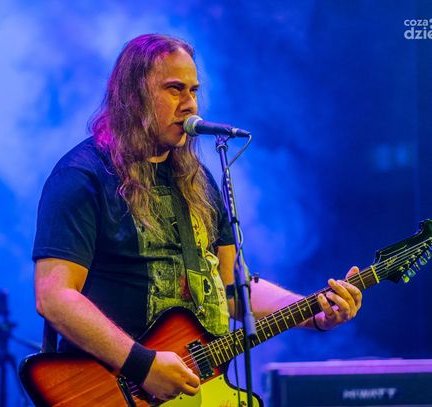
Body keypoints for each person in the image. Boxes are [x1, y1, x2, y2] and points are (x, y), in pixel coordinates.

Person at [32, 33, 362, 402]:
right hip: (114, 391)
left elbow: (232, 288)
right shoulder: (83, 177)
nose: (190, 104)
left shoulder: (197, 182)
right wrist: (142, 365)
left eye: (193, 91)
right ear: (133, 95)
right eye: (175, 89)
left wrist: (312, 312)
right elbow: (54, 296)